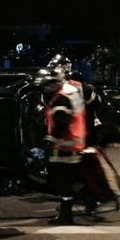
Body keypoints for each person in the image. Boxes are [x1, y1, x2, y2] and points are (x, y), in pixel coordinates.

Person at [41, 71, 86, 225]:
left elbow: (60, 123)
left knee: (62, 182)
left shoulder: (61, 98)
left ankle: (66, 215)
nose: (44, 89)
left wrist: (49, 141)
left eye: (46, 85)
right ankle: (68, 211)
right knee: (67, 182)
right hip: (73, 143)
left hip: (64, 146)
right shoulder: (69, 92)